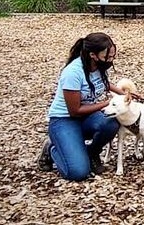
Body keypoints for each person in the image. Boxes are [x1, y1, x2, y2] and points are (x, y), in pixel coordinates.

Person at [38, 33, 130, 180]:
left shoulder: (98, 66)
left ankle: (91, 152)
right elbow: (74, 111)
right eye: (108, 56)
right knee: (78, 172)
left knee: (111, 121)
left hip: (87, 116)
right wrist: (107, 103)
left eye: (113, 56)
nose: (111, 60)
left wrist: (125, 94)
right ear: (92, 55)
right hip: (65, 119)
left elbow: (103, 83)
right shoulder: (73, 73)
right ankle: (52, 148)